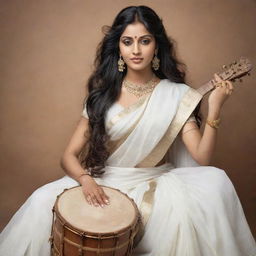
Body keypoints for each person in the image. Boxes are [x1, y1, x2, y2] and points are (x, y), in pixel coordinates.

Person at [0, 5, 255, 256]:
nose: (135, 50)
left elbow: (202, 157)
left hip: (153, 182)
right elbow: (68, 156)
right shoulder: (102, 97)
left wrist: (215, 109)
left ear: (156, 46)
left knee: (214, 183)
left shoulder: (178, 95)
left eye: (144, 41)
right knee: (40, 202)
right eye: (127, 41)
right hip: (104, 181)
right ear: (118, 47)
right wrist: (86, 180)